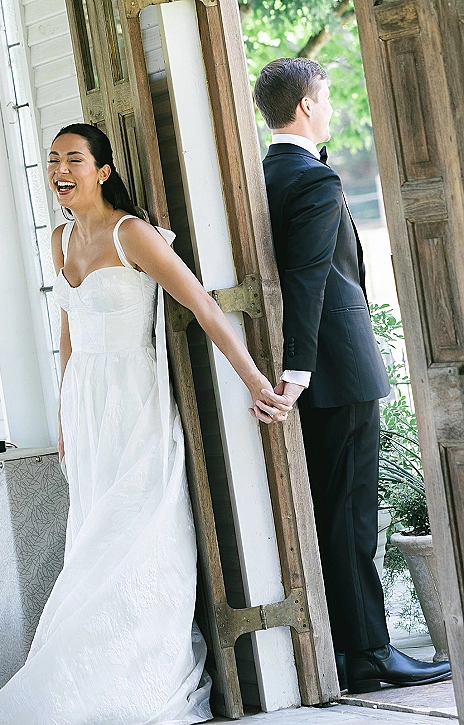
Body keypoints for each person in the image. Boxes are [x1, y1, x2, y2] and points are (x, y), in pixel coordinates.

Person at [0, 124, 291, 724]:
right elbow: (67, 332)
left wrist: (254, 380)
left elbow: (201, 305)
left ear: (103, 170)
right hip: (88, 407)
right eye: (52, 160)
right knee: (91, 538)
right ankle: (81, 668)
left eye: (73, 159)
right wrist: (66, 415)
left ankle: (137, 671)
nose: (60, 169)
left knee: (139, 535)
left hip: (135, 401)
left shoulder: (132, 234)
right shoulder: (59, 238)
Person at [254, 57, 452, 694]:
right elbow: (309, 279)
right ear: (307, 106)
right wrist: (297, 371)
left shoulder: (265, 174)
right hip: (333, 371)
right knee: (352, 520)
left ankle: (349, 650)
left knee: (337, 517)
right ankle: (368, 653)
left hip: (320, 374)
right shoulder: (312, 178)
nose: (332, 108)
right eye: (328, 98)